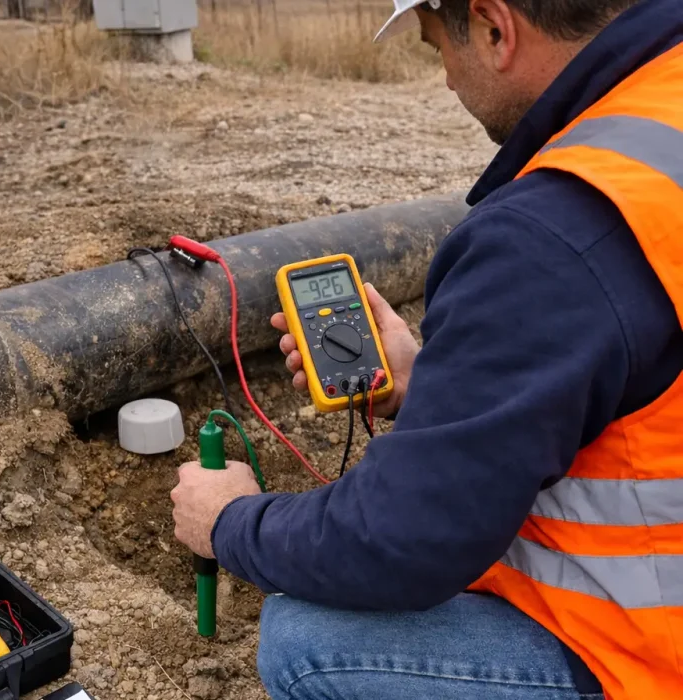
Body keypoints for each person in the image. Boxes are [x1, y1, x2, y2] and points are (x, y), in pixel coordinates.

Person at [171, 0, 683, 697]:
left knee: (306, 641)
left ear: (495, 27)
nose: (445, 77)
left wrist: (230, 520)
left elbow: (402, 542)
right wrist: (429, 382)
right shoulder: (664, 110)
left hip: (655, 660)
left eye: (438, 44)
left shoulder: (555, 234)